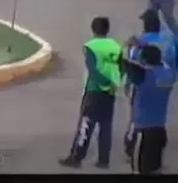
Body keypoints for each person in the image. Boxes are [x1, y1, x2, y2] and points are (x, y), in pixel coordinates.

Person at [59, 17, 123, 169]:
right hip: (110, 92)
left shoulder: (90, 46)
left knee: (86, 125)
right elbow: (122, 68)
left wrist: (103, 83)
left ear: (93, 29)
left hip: (94, 91)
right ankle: (103, 160)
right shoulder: (116, 46)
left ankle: (76, 158)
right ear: (107, 29)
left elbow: (92, 69)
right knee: (106, 126)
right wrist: (115, 83)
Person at [123, 9, 175, 160]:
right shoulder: (168, 42)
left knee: (136, 116)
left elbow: (131, 63)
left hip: (143, 85)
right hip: (163, 83)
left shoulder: (140, 41)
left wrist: (128, 84)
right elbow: (172, 62)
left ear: (145, 25)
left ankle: (131, 144)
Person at [124, 45, 175, 174]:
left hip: (143, 132)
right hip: (160, 131)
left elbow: (125, 62)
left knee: (139, 170)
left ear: (144, 60)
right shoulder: (168, 75)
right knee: (156, 170)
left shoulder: (142, 75)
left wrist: (134, 48)